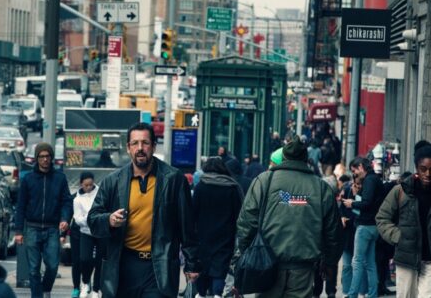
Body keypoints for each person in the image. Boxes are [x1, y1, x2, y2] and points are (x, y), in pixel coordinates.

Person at [87, 122, 200, 298]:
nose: (140, 148)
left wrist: (192, 264)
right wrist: (109, 219)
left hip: (159, 267)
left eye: (145, 143)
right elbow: (93, 219)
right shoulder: (113, 181)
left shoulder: (174, 179)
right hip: (123, 266)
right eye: (135, 143)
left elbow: (187, 225)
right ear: (128, 148)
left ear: (154, 146)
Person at [234, 136, 342, 297]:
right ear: (306, 159)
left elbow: (246, 223)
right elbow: (333, 231)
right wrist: (329, 263)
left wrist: (245, 254)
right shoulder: (321, 188)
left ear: (283, 157)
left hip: (267, 265)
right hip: (303, 269)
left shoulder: (264, 181)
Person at [15, 142, 73, 298]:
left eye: (48, 156)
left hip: (52, 228)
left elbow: (67, 201)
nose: (45, 159)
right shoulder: (28, 179)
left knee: (53, 265)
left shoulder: (60, 178)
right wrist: (19, 230)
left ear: (52, 158)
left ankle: (46, 289)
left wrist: (65, 218)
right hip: (32, 228)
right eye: (41, 156)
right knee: (33, 269)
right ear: (36, 159)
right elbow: (20, 205)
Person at [377, 145, 431, 297]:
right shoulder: (401, 191)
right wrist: (397, 236)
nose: (428, 174)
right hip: (406, 259)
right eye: (423, 169)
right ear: (416, 168)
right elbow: (382, 218)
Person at [192, 158, 243, 298]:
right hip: (225, 236)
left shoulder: (200, 187)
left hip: (203, 236)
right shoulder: (232, 188)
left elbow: (193, 213)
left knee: (203, 265)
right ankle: (217, 294)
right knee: (220, 267)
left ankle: (201, 293)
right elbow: (239, 214)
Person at [342, 157, 385, 298]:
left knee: (357, 261)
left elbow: (366, 203)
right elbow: (370, 202)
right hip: (374, 226)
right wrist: (356, 197)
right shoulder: (375, 179)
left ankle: (352, 294)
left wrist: (352, 203)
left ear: (361, 167)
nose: (354, 174)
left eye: (354, 171)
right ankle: (372, 294)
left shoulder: (369, 180)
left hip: (365, 226)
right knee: (370, 263)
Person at [73, 172, 103, 298]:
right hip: (86, 232)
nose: (89, 187)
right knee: (84, 259)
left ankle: (96, 290)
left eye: (91, 184)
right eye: (86, 185)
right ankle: (86, 282)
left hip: (101, 232)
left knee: (99, 262)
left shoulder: (100, 192)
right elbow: (78, 219)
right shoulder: (77, 199)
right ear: (81, 184)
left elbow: (104, 209)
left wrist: (95, 218)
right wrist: (90, 218)